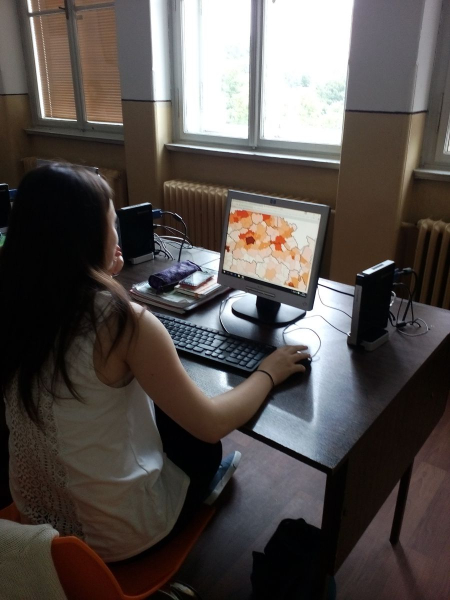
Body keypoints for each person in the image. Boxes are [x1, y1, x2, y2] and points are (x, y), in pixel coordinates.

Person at [0, 163, 310, 563]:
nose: (117, 234)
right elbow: (212, 423)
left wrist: (98, 273)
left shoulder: (15, 303)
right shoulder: (122, 321)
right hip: (114, 542)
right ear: (87, 238)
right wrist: (268, 372)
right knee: (206, 445)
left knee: (160, 413)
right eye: (112, 223)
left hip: (35, 524)